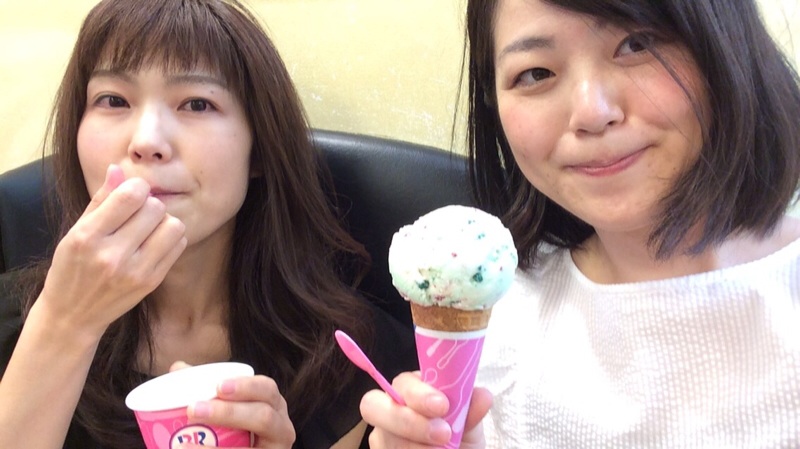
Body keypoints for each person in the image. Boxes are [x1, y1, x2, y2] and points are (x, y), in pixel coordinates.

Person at [360, 0, 800, 447]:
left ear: (727, 43)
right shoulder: (501, 316)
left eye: (637, 44)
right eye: (535, 74)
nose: (592, 112)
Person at [0, 0, 417, 448]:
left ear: (259, 150)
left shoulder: (350, 359)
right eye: (113, 100)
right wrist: (64, 324)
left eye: (197, 103)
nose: (147, 141)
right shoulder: (17, 323)